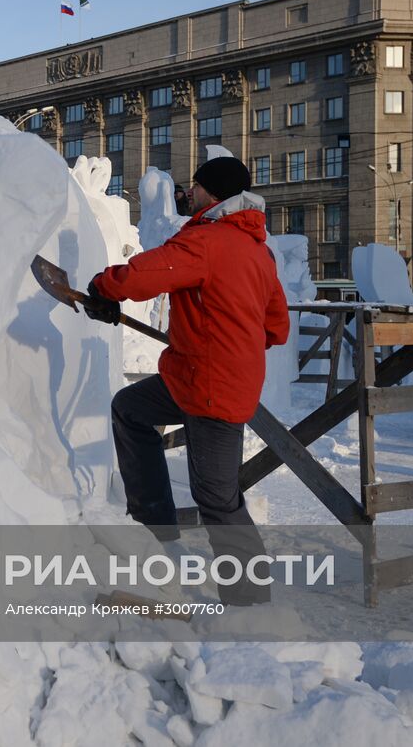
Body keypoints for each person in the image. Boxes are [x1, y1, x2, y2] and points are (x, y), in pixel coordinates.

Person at [83, 156, 288, 606]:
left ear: (211, 194)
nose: (188, 193)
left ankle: (250, 603)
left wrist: (102, 287)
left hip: (212, 387)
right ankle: (156, 529)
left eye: (194, 187)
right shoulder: (258, 250)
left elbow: (148, 272)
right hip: (198, 376)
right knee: (131, 409)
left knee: (217, 497)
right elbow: (277, 329)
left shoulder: (208, 240)